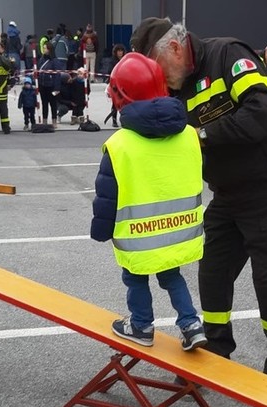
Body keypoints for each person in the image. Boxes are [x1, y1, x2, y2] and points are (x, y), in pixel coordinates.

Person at [131, 18, 267, 386]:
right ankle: (217, 347)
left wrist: (203, 134)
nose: (160, 79)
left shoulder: (227, 55)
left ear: (175, 49)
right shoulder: (176, 86)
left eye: (158, 67)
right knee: (213, 269)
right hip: (228, 191)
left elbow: (264, 111)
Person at [91, 52, 207, 351]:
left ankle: (141, 326)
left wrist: (101, 231)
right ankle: (191, 324)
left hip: (140, 236)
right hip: (178, 232)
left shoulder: (120, 145)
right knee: (173, 277)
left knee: (136, 278)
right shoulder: (189, 136)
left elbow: (107, 195)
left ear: (121, 96)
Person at [37, 43, 61, 127]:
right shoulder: (41, 59)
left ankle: (54, 121)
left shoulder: (54, 60)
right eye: (43, 48)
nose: (44, 50)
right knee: (44, 103)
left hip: (51, 86)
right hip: (42, 85)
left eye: (45, 48)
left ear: (50, 49)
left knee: (53, 104)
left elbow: (57, 74)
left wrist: (57, 87)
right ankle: (44, 121)